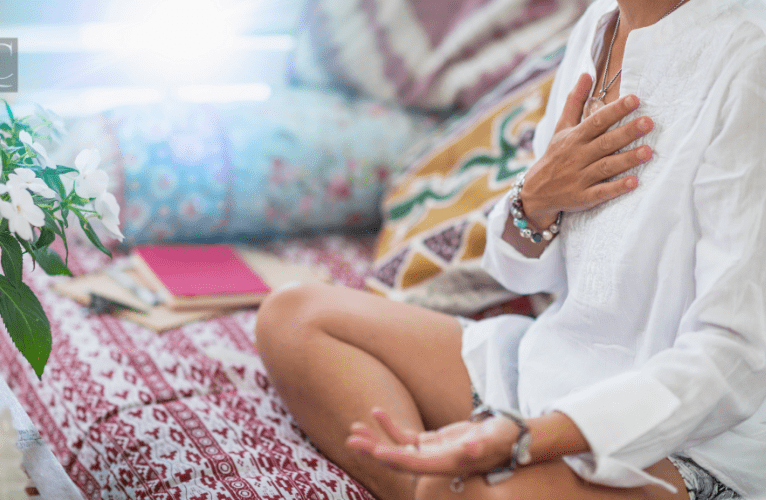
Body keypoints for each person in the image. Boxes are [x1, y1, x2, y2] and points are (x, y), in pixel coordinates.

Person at [254, 0, 766, 497]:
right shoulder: (597, 25)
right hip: (551, 367)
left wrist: (527, 438)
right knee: (294, 314)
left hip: (691, 434)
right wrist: (535, 200)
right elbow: (523, 274)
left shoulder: (749, 58)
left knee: (474, 492)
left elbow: (735, 358)